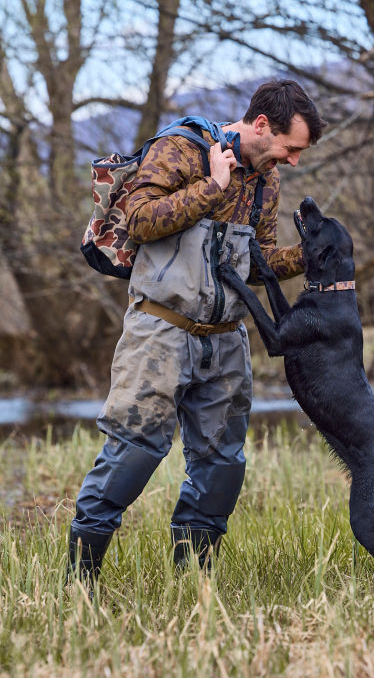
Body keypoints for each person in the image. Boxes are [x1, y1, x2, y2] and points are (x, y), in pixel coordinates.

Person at [68, 79, 326, 582]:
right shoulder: (180, 148)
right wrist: (212, 186)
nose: (293, 161)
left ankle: (193, 583)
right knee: (133, 454)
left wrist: (309, 257)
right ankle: (79, 584)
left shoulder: (266, 181)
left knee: (222, 467)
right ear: (260, 126)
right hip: (160, 332)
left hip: (226, 339)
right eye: (290, 148)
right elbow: (140, 220)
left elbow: (258, 261)